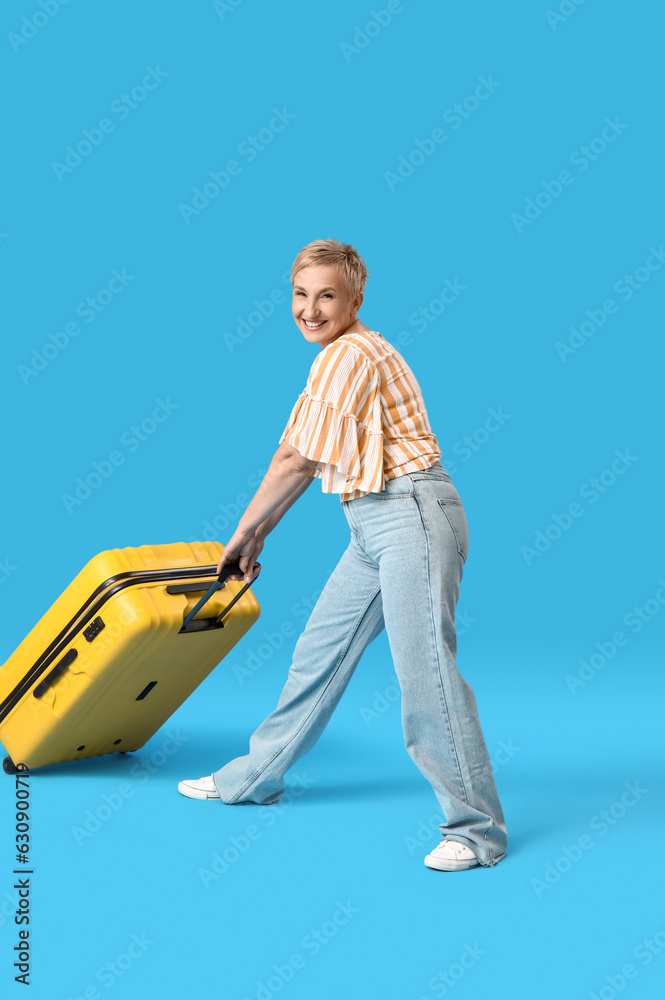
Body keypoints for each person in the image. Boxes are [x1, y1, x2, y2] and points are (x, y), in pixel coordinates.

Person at [178, 239, 508, 872]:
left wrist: (241, 533)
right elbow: (309, 460)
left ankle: (477, 832)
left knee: (427, 676)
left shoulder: (349, 355)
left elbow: (294, 459)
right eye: (301, 295)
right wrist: (259, 534)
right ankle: (256, 776)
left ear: (355, 298)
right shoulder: (340, 357)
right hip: (373, 524)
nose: (310, 309)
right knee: (316, 656)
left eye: (326, 295)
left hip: (410, 515)